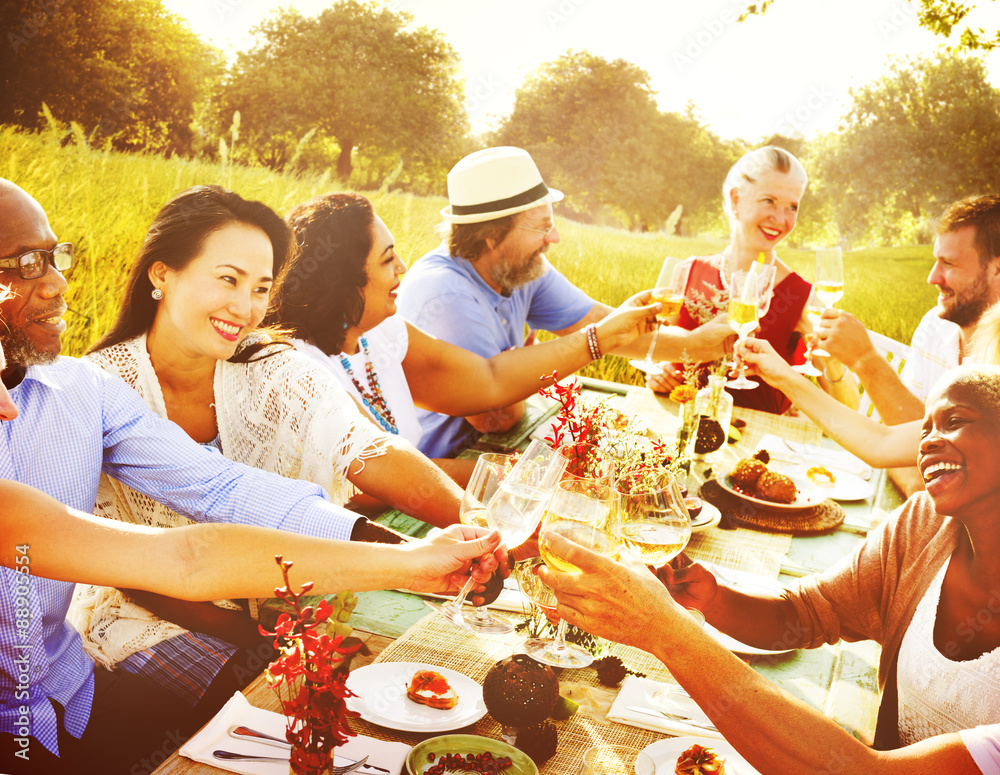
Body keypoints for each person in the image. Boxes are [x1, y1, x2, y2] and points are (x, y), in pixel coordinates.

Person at [0, 229, 503, 773]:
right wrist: (411, 566)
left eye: (54, 258)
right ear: (162, 275)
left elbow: (223, 489)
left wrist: (410, 551)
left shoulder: (80, 390)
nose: (56, 283)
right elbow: (186, 559)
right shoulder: (115, 372)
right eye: (24, 264)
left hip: (66, 696)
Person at [74, 185, 470, 711]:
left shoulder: (271, 365)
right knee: (281, 701)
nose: (245, 307)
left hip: (276, 600)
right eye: (227, 280)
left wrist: (473, 522)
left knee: (389, 684)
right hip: (143, 614)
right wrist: (264, 636)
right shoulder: (96, 388)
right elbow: (124, 572)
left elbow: (365, 448)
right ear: (161, 273)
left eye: (261, 288)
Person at [542, 365, 1000, 773]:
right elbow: (806, 612)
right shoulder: (923, 526)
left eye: (954, 422)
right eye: (924, 430)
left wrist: (665, 630)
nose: (928, 442)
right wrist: (715, 600)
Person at [270, 191, 660, 483]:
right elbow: (371, 485)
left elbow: (488, 379)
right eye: (388, 260)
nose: (404, 268)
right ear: (344, 283)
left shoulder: (381, 332)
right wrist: (514, 474)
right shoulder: (298, 368)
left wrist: (601, 338)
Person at [395, 146, 732, 459]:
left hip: (501, 448)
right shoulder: (446, 295)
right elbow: (495, 419)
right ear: (492, 234)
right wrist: (526, 371)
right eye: (543, 226)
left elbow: (607, 325)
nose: (554, 237)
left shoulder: (522, 268)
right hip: (449, 464)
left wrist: (695, 345)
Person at [736, 196, 1000, 482]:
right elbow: (890, 441)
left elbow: (910, 454)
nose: (932, 277)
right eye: (936, 260)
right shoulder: (935, 325)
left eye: (949, 263)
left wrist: (865, 360)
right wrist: (781, 375)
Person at [645, 145, 858, 414]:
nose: (780, 218)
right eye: (768, 200)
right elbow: (652, 349)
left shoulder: (801, 297)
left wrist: (833, 361)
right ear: (736, 200)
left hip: (759, 447)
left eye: (792, 207)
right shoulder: (687, 272)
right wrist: (657, 372)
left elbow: (849, 408)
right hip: (678, 430)